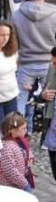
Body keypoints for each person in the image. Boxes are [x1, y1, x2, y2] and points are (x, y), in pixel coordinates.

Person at [12, 0, 56, 119]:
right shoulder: (54, 14)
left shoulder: (17, 15)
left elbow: (14, 41)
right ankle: (49, 131)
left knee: (20, 99)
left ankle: (17, 131)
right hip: (49, 63)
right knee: (51, 99)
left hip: (26, 62)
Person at [0, 113, 34, 192]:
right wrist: (24, 184)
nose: (26, 131)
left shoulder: (20, 140)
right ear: (13, 131)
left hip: (18, 181)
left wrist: (30, 158)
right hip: (7, 185)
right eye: (23, 129)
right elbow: (10, 171)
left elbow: (26, 151)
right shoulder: (7, 148)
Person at [41, 47, 56, 181]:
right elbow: (44, 92)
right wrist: (43, 95)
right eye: (53, 62)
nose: (53, 66)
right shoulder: (52, 68)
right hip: (52, 129)